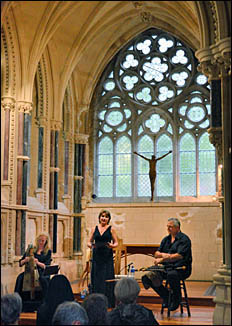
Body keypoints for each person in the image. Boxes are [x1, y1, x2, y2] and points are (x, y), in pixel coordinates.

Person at [141, 217, 192, 311]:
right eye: (167, 226)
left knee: (172, 275)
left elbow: (179, 256)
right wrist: (165, 256)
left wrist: (163, 258)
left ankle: (176, 300)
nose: (168, 229)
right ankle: (168, 297)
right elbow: (157, 253)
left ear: (177, 228)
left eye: (171, 227)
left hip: (181, 269)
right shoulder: (166, 239)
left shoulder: (184, 239)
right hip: (167, 267)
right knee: (148, 277)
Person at [87, 209, 118, 307]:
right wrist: (90, 245)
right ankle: (95, 302)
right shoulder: (94, 228)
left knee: (106, 277)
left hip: (106, 255)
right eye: (102, 216)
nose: (103, 218)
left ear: (108, 219)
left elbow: (116, 242)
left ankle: (107, 302)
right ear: (99, 217)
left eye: (106, 216)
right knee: (96, 278)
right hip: (96, 255)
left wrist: (112, 246)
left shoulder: (111, 229)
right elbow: (89, 241)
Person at [14, 232, 52, 304]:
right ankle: (19, 302)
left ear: (46, 241)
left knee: (42, 280)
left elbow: (46, 266)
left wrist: (37, 262)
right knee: (20, 278)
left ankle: (42, 302)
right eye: (39, 240)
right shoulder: (31, 249)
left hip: (41, 272)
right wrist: (25, 260)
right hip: (29, 271)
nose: (40, 242)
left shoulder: (48, 252)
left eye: (42, 241)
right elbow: (20, 263)